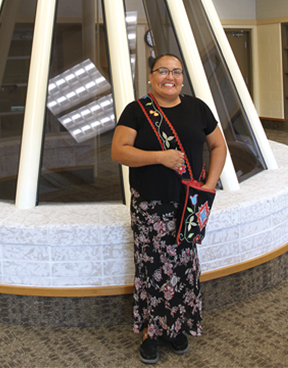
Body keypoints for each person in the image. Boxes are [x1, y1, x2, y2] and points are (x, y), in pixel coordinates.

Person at [111, 54, 228, 365]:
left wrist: (209, 185)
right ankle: (152, 331)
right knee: (153, 269)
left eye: (176, 72)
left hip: (189, 202)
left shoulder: (198, 108)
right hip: (151, 204)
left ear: (182, 79)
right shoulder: (136, 111)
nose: (170, 76)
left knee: (183, 266)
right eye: (163, 70)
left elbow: (219, 146)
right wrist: (159, 157)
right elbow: (118, 151)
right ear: (151, 77)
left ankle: (176, 327)